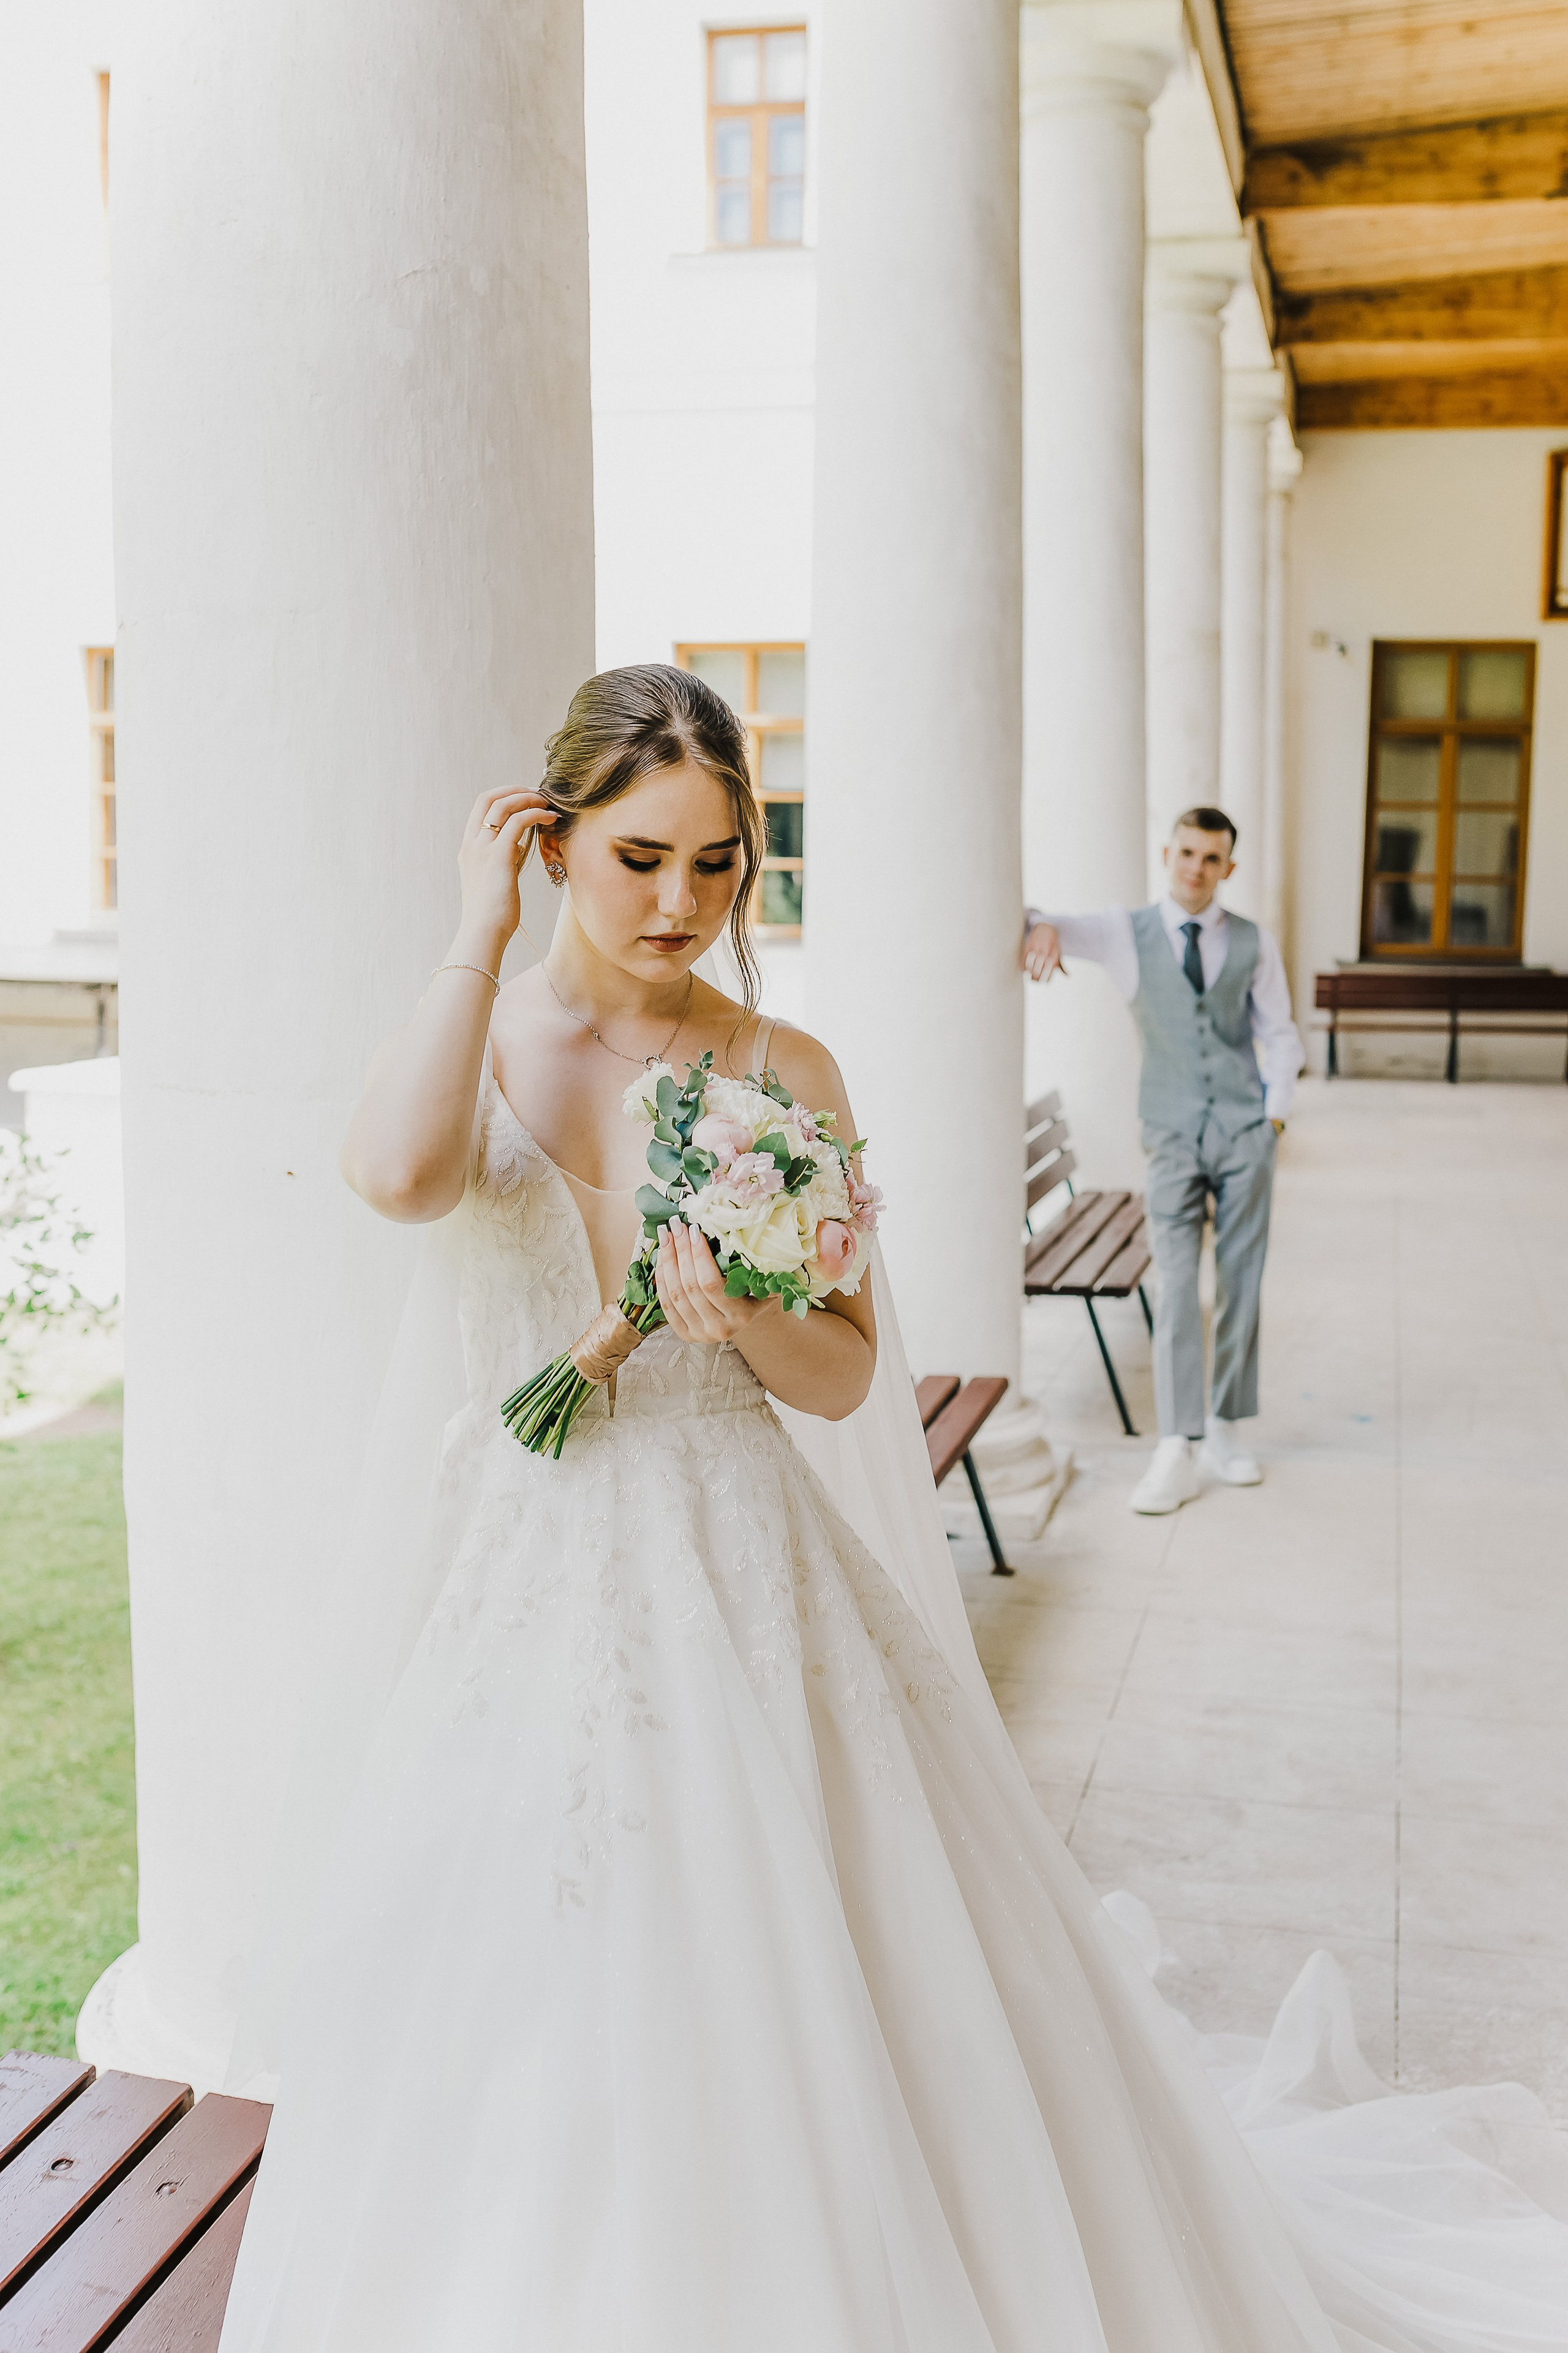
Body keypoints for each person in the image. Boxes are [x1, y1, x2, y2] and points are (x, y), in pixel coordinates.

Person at [219, 679, 1567, 2352]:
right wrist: (471, 934)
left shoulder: (780, 1066)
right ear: (551, 839)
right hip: (521, 1577)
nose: (680, 902)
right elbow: (400, 1177)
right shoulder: (479, 1026)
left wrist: (739, 1315)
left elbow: (847, 1370)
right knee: (528, 1981)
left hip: (738, 1549)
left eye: (719, 862)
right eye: (639, 857)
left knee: (800, 1966)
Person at [1023, 809, 1304, 1516]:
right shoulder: (1127, 932)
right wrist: (1042, 927)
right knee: (1177, 1284)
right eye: (1186, 853)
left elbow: (1280, 1034)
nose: (1195, 869)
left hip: (1244, 1133)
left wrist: (1272, 1118)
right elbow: (1036, 917)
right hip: (1171, 1134)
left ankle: (1227, 1428)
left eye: (1210, 859)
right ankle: (1176, 1443)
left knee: (1241, 1281)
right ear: (1166, 853)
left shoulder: (1253, 942)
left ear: (1227, 868)